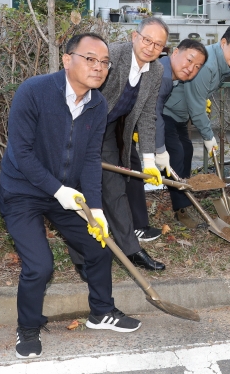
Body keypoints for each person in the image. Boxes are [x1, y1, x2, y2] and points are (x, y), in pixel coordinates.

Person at [0, 33, 139, 360]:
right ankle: (28, 328)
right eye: (90, 58)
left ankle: (102, 311)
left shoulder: (97, 103)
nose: (99, 67)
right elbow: (20, 152)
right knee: (40, 265)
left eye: (104, 62)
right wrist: (57, 190)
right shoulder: (33, 92)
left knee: (98, 242)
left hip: (67, 194)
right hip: (22, 191)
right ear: (67, 59)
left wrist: (96, 208)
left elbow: (91, 158)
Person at [67, 18, 169, 279]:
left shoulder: (156, 71)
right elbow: (82, 89)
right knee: (77, 190)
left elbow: (147, 114)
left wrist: (148, 159)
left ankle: (131, 250)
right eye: (147, 39)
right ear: (135, 36)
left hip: (109, 130)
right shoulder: (112, 55)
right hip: (81, 125)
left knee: (115, 187)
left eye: (158, 44)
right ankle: (83, 257)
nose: (151, 47)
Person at [162, 26, 230, 228]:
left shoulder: (222, 65)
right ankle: (181, 208)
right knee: (176, 153)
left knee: (185, 152)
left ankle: (182, 201)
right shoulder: (209, 64)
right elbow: (196, 103)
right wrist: (208, 135)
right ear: (223, 43)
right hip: (165, 111)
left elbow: (198, 99)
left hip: (178, 114)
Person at [153, 39, 208, 177]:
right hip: (112, 125)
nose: (191, 69)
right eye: (189, 60)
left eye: (197, 67)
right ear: (175, 52)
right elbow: (154, 113)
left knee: (185, 150)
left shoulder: (166, 73)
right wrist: (160, 150)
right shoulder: (164, 78)